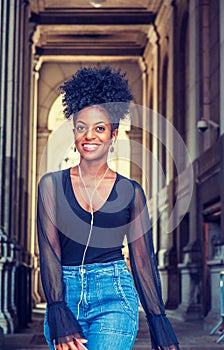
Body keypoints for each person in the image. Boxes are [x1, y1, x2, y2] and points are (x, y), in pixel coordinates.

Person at [37, 66, 180, 350]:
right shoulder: (50, 186)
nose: (89, 136)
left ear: (113, 134)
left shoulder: (131, 192)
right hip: (65, 294)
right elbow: (49, 251)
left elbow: (143, 261)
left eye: (99, 128)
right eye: (81, 127)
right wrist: (57, 309)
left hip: (114, 294)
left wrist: (159, 322)